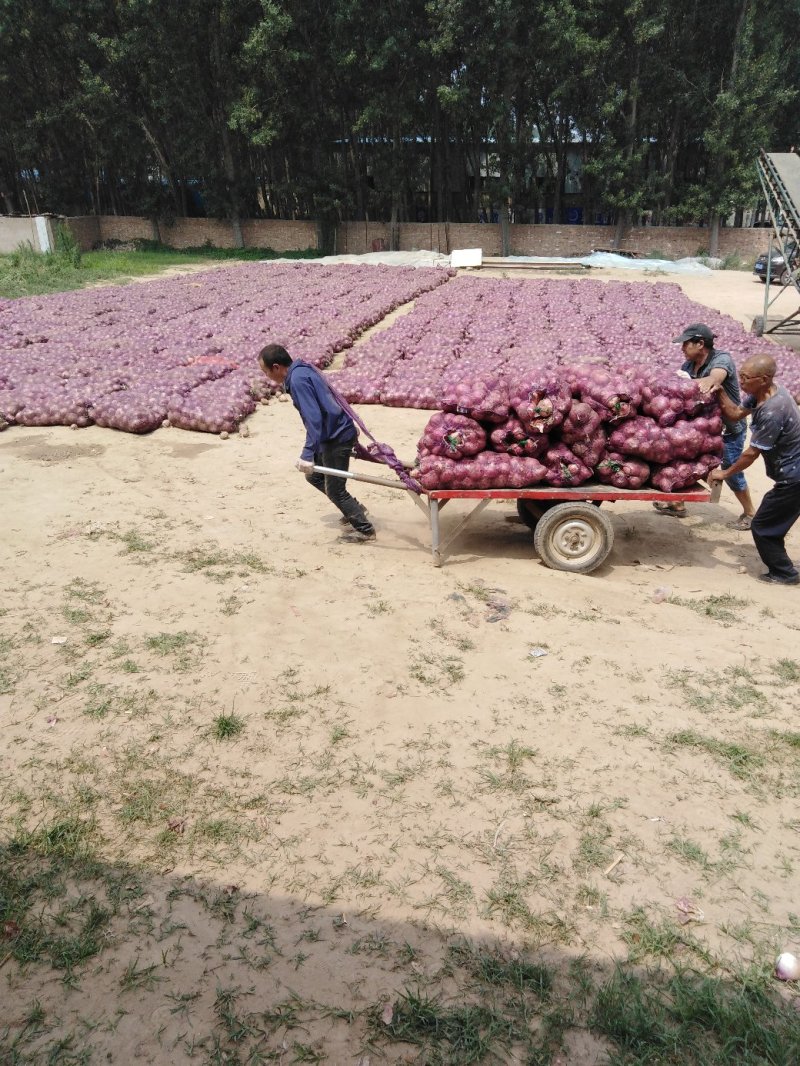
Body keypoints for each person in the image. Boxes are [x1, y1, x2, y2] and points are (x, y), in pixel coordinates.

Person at [259, 343, 376, 542]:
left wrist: (306, 454)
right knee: (314, 476)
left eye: (265, 371)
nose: (266, 376)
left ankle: (365, 530)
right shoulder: (302, 369)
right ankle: (354, 509)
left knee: (335, 489)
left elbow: (315, 420)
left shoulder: (297, 380)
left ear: (276, 367)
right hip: (332, 433)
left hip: (336, 436)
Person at [653, 323, 756, 528]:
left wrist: (701, 381)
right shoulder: (688, 366)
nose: (682, 348)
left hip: (729, 429)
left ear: (700, 344)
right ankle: (678, 505)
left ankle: (751, 513)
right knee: (685, 460)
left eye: (686, 344)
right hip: (703, 428)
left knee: (730, 469)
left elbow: (715, 377)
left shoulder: (721, 359)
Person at [709, 354, 800, 585]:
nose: (741, 381)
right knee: (775, 521)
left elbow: (752, 453)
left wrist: (725, 472)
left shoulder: (773, 410)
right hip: (791, 474)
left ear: (764, 379)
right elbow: (735, 413)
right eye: (740, 375)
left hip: (794, 478)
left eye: (746, 378)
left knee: (762, 525)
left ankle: (784, 574)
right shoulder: (760, 395)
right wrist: (719, 391)